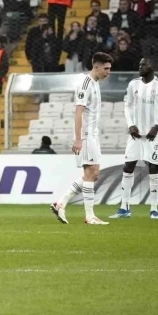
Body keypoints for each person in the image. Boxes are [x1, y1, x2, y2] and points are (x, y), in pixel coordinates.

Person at [110, 58, 158, 220]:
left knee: (153, 169)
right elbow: (127, 105)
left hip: (153, 135)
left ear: (152, 67)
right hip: (135, 134)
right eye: (139, 64)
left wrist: (157, 126)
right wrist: (130, 124)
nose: (140, 67)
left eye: (144, 65)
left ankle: (154, 209)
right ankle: (124, 207)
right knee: (128, 166)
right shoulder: (133, 84)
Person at [51, 52, 114, 225]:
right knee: (91, 172)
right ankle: (89, 216)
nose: (108, 72)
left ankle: (60, 203)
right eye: (106, 68)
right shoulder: (85, 84)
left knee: (92, 174)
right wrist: (78, 139)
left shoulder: (95, 83)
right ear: (96, 67)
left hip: (92, 135)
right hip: (86, 136)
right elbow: (78, 111)